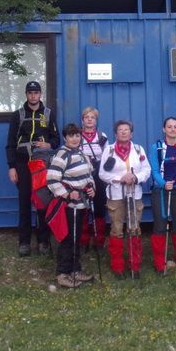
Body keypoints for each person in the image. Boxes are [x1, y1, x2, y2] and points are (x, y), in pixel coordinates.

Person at [5, 80, 59, 257]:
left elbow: (56, 140)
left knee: (42, 202)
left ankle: (43, 241)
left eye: (36, 93)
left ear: (40, 94)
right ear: (26, 94)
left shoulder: (48, 114)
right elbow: (10, 144)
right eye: (30, 93)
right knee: (24, 202)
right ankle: (24, 242)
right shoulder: (18, 115)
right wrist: (12, 167)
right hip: (22, 164)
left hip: (42, 165)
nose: (33, 96)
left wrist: (48, 144)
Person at [98, 120, 152, 279]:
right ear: (115, 133)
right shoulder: (108, 150)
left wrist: (135, 177)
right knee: (116, 230)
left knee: (134, 229)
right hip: (116, 196)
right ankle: (118, 267)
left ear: (131, 133)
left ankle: (135, 265)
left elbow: (147, 169)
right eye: (120, 130)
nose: (123, 132)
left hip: (135, 194)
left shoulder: (138, 149)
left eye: (126, 129)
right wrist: (120, 178)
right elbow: (102, 174)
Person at [46, 123, 97, 289]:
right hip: (68, 206)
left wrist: (92, 187)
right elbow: (51, 179)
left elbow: (89, 175)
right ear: (65, 138)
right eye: (71, 136)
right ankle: (62, 273)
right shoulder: (62, 155)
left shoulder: (81, 154)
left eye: (77, 135)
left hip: (81, 204)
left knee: (76, 237)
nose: (75, 139)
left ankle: (75, 270)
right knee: (67, 238)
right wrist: (67, 194)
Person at [148, 117, 176, 275]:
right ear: (164, 129)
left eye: (175, 127)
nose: (172, 129)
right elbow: (154, 170)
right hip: (161, 191)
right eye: (169, 127)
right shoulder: (156, 147)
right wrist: (163, 183)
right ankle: (160, 264)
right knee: (160, 226)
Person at [78, 106, 108, 251]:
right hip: (81, 173)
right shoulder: (77, 135)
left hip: (98, 174)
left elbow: (107, 156)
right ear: (82, 120)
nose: (89, 120)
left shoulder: (102, 136)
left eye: (93, 117)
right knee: (83, 207)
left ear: (96, 120)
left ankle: (99, 241)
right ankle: (83, 241)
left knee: (99, 207)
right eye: (87, 117)